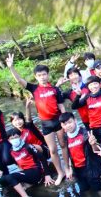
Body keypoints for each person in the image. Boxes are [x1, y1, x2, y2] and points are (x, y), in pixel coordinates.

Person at [6, 54, 68, 185]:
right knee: (52, 150)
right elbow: (20, 81)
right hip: (46, 123)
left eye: (44, 74)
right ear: (36, 77)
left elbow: (61, 106)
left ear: (48, 75)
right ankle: (60, 172)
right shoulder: (34, 89)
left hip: (58, 121)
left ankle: (67, 168)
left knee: (63, 145)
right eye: (39, 75)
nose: (42, 77)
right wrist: (11, 68)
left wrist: (66, 121)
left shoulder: (55, 89)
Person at [0, 128, 53, 197]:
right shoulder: (11, 151)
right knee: (2, 180)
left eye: (16, 137)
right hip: (27, 172)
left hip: (35, 171)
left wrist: (47, 175)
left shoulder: (28, 146)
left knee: (10, 177)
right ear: (8, 140)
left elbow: (42, 158)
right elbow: (18, 164)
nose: (14, 140)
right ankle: (10, 195)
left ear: (20, 137)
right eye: (12, 138)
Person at [59, 112, 101, 194]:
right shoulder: (65, 137)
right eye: (65, 124)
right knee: (84, 188)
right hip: (77, 168)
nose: (68, 125)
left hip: (90, 166)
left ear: (75, 120)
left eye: (70, 122)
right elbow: (66, 152)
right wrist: (68, 168)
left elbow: (95, 151)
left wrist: (93, 144)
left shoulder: (85, 133)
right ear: (62, 126)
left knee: (97, 186)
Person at [71, 76, 101, 143]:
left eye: (95, 83)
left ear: (100, 84)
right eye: (91, 85)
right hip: (92, 129)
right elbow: (74, 106)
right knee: (98, 150)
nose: (93, 86)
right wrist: (78, 95)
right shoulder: (87, 97)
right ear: (88, 87)